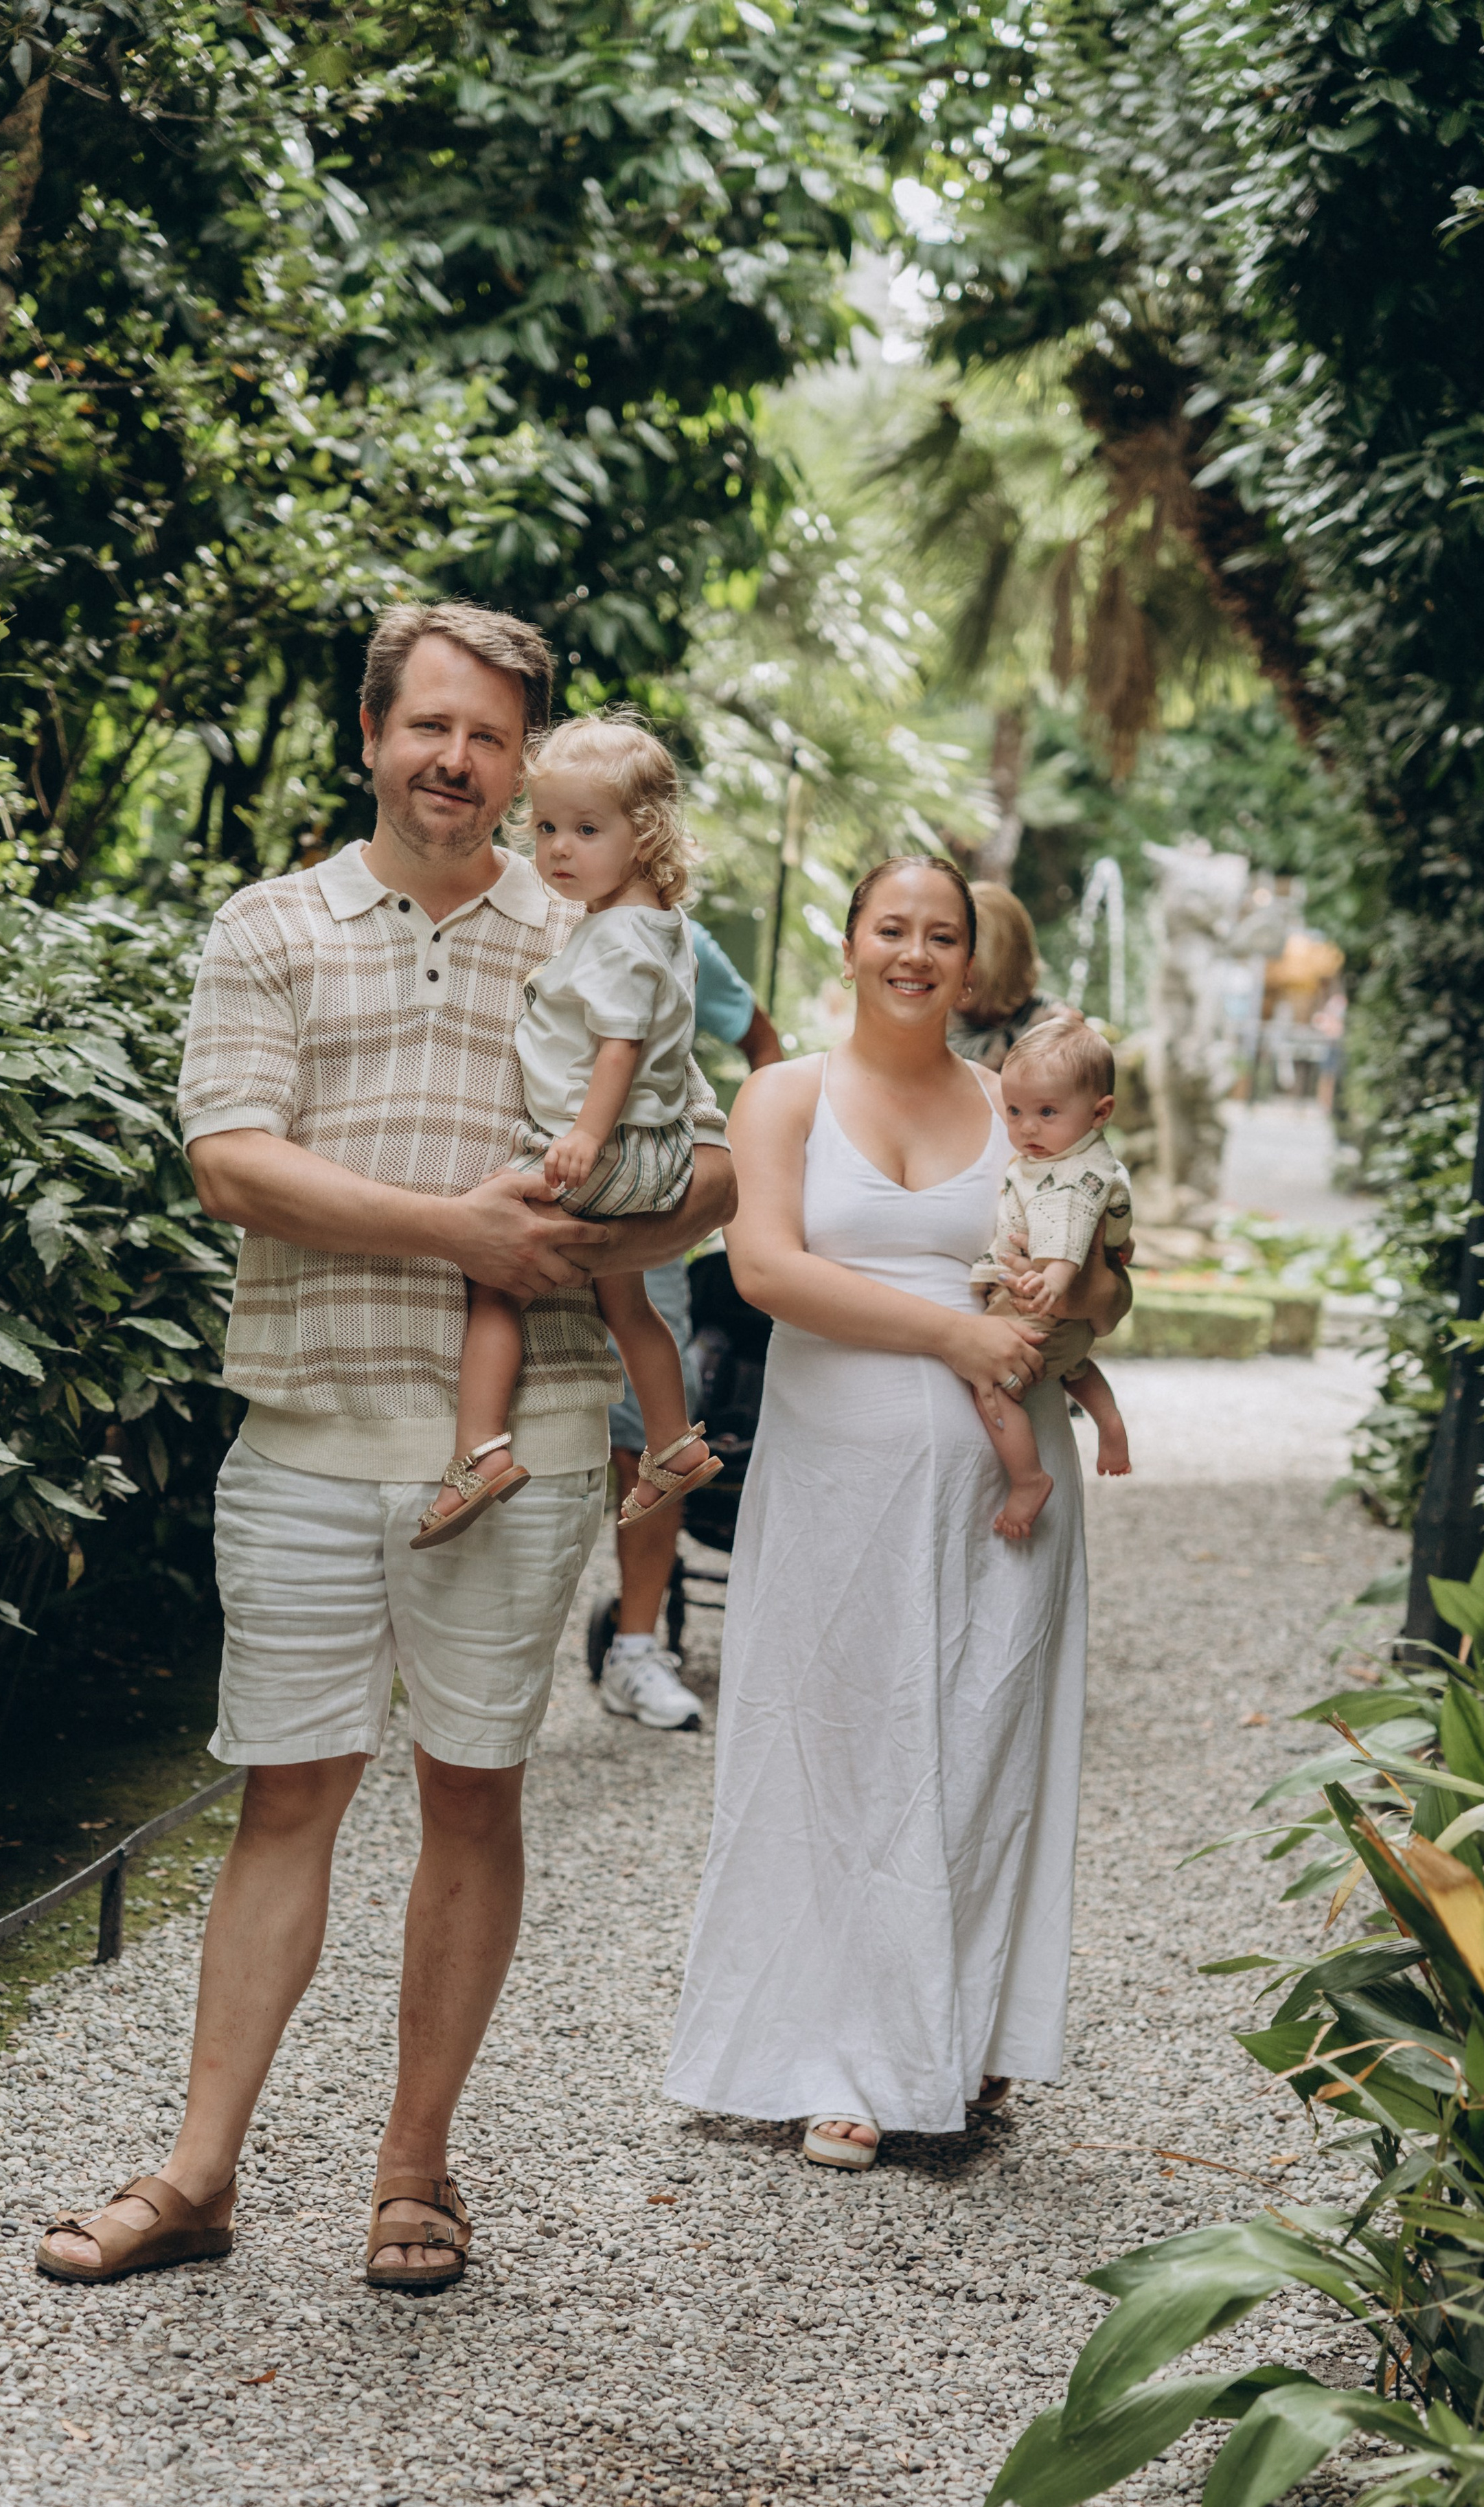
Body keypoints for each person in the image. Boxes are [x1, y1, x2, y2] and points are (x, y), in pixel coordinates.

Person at [36, 600, 733, 2293]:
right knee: (287, 1791)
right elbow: (234, 1162)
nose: (456, 761)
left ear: (525, 760)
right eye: (429, 726)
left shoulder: (586, 920)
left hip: (531, 1429)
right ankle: (199, 2173)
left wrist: (597, 1230)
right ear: (370, 734)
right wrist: (465, 1233)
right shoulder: (270, 924)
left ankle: (414, 2169)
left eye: (491, 736)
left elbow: (713, 1174)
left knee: (473, 1789)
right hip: (307, 1423)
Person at [663, 854, 1130, 2170]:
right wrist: (953, 1337)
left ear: (972, 961)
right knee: (833, 1740)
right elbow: (763, 1269)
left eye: (942, 936)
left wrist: (1082, 1304)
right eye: (892, 929)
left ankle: (952, 2037)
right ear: (854, 939)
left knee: (981, 1741)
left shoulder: (1018, 1106)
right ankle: (832, 2056)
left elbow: (1103, 1287)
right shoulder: (786, 1094)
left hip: (1004, 1493)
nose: (915, 954)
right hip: (833, 1485)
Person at [413, 714, 720, 1547]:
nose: (558, 849)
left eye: (587, 830)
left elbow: (618, 1048)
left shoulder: (618, 936)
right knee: (625, 1299)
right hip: (651, 1149)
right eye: (547, 827)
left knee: (493, 1272)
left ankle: (478, 1453)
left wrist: (583, 1136)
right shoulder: (654, 922)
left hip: (608, 1147)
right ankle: (672, 1443)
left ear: (645, 834)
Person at [599, 923, 780, 1731]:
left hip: (646, 1217)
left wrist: (761, 1177)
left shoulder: (681, 942)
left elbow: (762, 1043)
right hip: (529, 1182)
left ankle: (636, 1646)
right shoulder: (513, 913)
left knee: (649, 1434)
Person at [970, 1014, 1134, 1537]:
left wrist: (1055, 1284)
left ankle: (1028, 1478)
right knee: (1072, 1362)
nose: (1027, 1128)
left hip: (1041, 1298)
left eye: (1045, 1112)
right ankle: (1108, 1421)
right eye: (1015, 1112)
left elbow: (1069, 1233)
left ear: (1100, 1112)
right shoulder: (1073, 1152)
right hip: (1056, 1308)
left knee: (993, 1384)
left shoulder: (1073, 1176)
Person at [946, 879, 1065, 1067]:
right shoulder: (931, 1019)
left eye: (969, 961)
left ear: (1004, 964)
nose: (957, 972)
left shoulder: (1054, 1028)